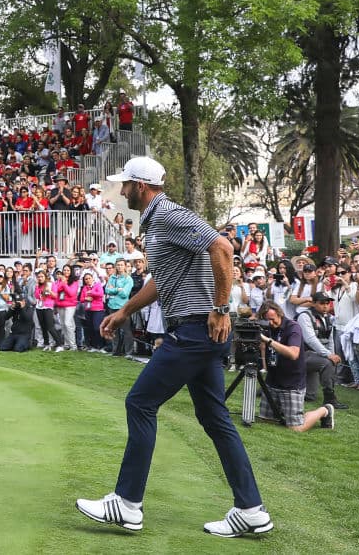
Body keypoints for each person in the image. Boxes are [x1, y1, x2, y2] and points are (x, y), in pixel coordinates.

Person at [75, 156, 271, 538]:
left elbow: (223, 248)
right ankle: (251, 510)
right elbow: (161, 281)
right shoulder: (159, 222)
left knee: (140, 402)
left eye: (126, 184)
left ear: (142, 187)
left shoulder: (167, 215)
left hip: (196, 330)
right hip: (201, 333)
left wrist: (220, 308)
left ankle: (127, 504)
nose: (122, 190)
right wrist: (125, 312)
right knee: (214, 418)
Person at [256, 301, 336, 432]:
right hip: (272, 380)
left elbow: (293, 354)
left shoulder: (293, 327)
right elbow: (263, 348)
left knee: (295, 428)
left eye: (272, 319)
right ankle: (283, 412)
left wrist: (269, 341)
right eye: (266, 320)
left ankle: (324, 410)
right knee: (266, 422)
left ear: (280, 314)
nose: (270, 323)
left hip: (291, 382)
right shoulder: (267, 328)